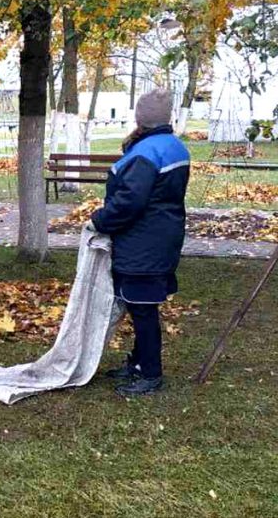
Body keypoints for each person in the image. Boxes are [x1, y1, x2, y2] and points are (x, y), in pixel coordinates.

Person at [91, 89, 189, 397]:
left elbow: (129, 202)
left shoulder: (147, 153)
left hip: (143, 242)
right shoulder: (173, 146)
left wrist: (100, 219)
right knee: (139, 306)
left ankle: (150, 374)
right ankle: (137, 363)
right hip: (161, 237)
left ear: (140, 118)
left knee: (143, 309)